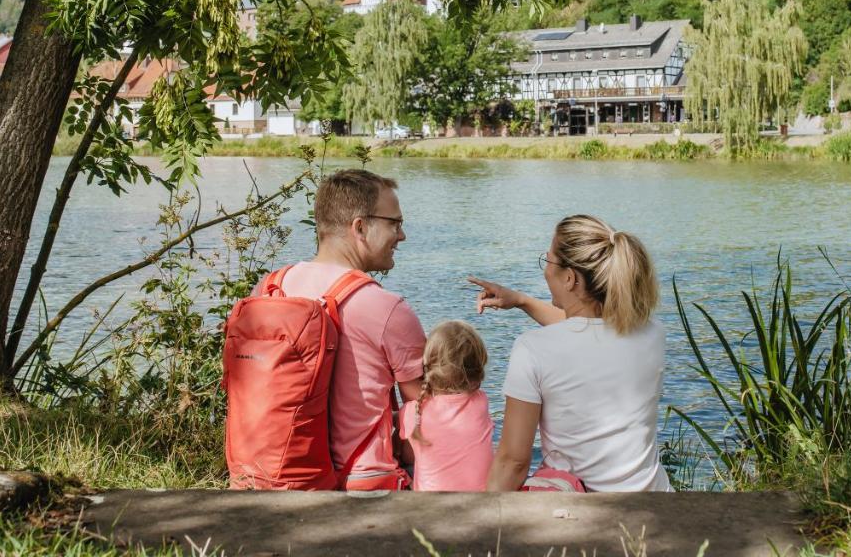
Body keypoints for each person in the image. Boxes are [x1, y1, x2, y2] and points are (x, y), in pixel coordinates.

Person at [469, 214, 670, 492]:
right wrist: (522, 301)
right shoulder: (653, 334)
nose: (545, 269)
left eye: (548, 261)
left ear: (570, 278)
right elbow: (586, 333)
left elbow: (513, 461)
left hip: (578, 513)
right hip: (653, 502)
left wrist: (486, 519)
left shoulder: (533, 349)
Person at [253, 169, 426, 490]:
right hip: (361, 480)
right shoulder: (386, 308)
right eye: (395, 224)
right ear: (360, 227)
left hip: (270, 473)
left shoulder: (268, 289)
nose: (402, 236)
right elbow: (428, 414)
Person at [398, 320, 494, 491]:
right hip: (479, 501)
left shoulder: (413, 411)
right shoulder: (481, 402)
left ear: (427, 367)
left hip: (430, 506)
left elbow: (408, 456)